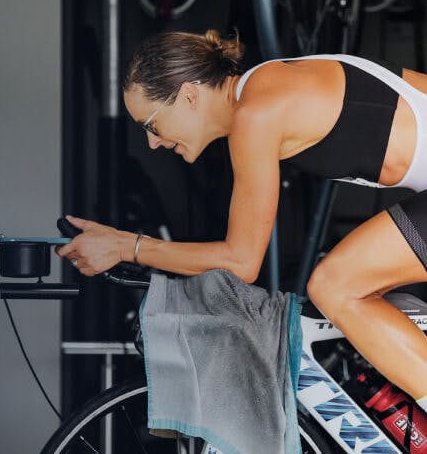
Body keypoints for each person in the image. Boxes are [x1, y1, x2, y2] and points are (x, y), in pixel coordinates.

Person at [55, 28, 427, 411]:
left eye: (150, 124)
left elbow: (240, 261)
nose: (153, 142)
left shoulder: (257, 112)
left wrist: (125, 246)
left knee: (336, 285)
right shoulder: (262, 89)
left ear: (189, 96)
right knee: (344, 287)